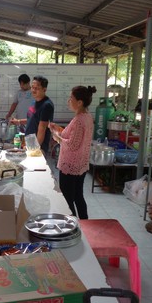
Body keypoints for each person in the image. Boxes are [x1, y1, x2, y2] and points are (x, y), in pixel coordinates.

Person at [49, 85, 96, 219]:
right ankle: (85, 222)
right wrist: (58, 129)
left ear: (79, 102)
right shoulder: (87, 117)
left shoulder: (79, 120)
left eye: (71, 98)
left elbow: (72, 144)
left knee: (68, 198)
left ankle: (73, 225)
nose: (69, 101)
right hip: (81, 164)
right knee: (78, 195)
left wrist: (55, 136)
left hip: (70, 164)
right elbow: (71, 135)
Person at [12, 75, 54, 154]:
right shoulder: (34, 102)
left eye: (37, 88)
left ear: (44, 89)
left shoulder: (46, 105)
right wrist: (19, 121)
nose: (33, 90)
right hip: (30, 141)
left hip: (39, 145)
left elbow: (42, 129)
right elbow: (32, 119)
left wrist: (33, 149)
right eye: (32, 87)